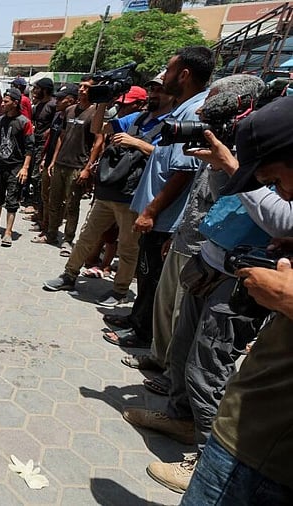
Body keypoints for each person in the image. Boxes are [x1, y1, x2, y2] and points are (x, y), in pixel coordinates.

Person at [121, 74, 270, 495]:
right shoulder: (219, 137)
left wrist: (232, 165)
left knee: (210, 367)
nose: (202, 109)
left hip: (237, 273)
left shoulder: (257, 146)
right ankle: (179, 416)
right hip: (204, 255)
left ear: (240, 105)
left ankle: (204, 460)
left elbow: (272, 212)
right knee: (183, 349)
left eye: (214, 101)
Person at [180, 95, 293, 505]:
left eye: (278, 180)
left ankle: (198, 448)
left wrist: (285, 297)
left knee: (207, 368)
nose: (283, 194)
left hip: (261, 444)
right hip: (256, 424)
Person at [102, 46, 214, 350]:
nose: (164, 76)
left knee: (152, 276)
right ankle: (137, 317)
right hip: (159, 213)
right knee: (147, 271)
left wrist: (151, 211)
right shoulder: (181, 109)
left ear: (185, 74)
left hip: (165, 217)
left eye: (168, 70)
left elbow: (184, 172)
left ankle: (143, 333)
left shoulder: (193, 113)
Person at [43, 76, 172, 306]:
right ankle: (69, 275)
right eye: (152, 89)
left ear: (171, 94)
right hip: (110, 190)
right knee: (87, 237)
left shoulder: (170, 123)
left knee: (128, 246)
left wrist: (137, 143)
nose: (154, 94)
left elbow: (168, 158)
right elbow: (97, 129)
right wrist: (102, 102)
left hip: (133, 196)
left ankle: (120, 290)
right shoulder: (138, 118)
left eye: (160, 90)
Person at [34, 75, 105, 258]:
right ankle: (50, 234)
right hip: (60, 163)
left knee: (72, 205)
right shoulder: (70, 110)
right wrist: (52, 161)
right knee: (53, 200)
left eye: (87, 87)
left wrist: (88, 168)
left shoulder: (95, 112)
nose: (82, 90)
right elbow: (61, 137)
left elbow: (98, 142)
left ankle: (67, 239)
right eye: (81, 86)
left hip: (77, 166)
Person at [0, 88, 34, 246]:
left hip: (15, 166)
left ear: (15, 103)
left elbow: (30, 148)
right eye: (2, 101)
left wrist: (25, 168)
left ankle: (8, 231)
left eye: (6, 101)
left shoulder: (25, 122)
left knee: (12, 199)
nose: (2, 104)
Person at [22, 77, 56, 219]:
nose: (34, 91)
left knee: (37, 176)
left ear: (45, 90)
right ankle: (34, 205)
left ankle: (37, 207)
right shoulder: (39, 105)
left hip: (45, 145)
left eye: (37, 88)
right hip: (35, 142)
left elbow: (56, 125)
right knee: (31, 174)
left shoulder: (52, 105)